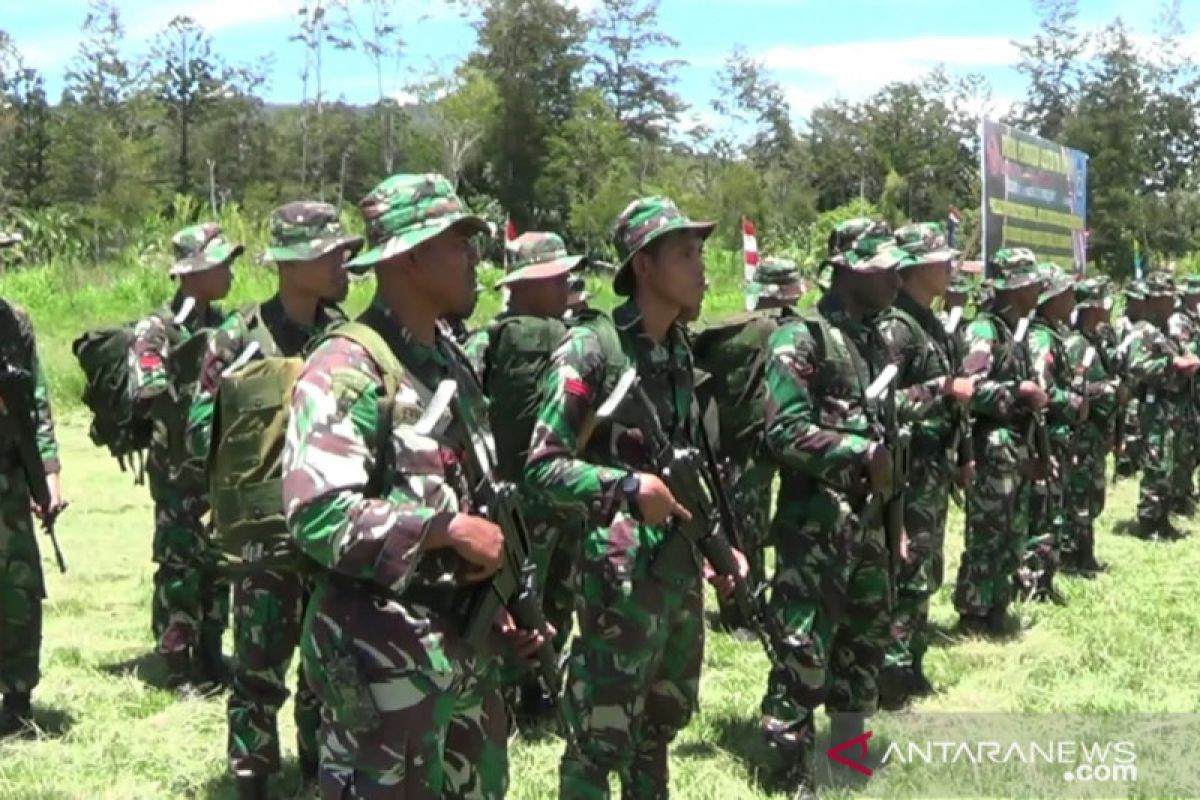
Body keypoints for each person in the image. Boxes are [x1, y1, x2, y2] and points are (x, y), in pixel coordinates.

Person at [283, 174, 544, 798]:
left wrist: (496, 598)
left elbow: (465, 487)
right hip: (383, 670)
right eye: (457, 242)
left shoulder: (449, 361)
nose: (474, 258)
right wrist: (444, 530)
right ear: (408, 257)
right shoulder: (348, 367)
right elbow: (314, 514)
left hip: (459, 654)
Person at [524, 196, 743, 799]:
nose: (702, 269)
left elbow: (689, 466)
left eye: (700, 253)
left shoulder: (677, 349)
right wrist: (622, 485)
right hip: (614, 586)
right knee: (598, 743)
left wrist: (720, 549)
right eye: (685, 254)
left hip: (673, 577)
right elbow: (541, 468)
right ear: (643, 266)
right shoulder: (592, 349)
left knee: (657, 732)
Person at [188, 202, 362, 800]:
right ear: (299, 261)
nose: (345, 262)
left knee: (327, 670)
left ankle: (319, 778)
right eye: (333, 252)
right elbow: (198, 430)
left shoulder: (343, 336)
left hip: (330, 528)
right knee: (258, 669)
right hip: (266, 535)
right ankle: (253, 780)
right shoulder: (238, 336)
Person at [759, 237, 905, 799]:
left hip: (868, 522)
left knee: (863, 643)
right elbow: (783, 431)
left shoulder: (874, 340)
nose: (895, 278)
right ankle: (788, 769)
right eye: (882, 269)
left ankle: (847, 757)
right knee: (803, 647)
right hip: (815, 527)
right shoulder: (802, 337)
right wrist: (859, 452)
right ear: (846, 272)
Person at [462, 230, 586, 726]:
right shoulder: (577, 341)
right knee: (551, 593)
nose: (566, 286)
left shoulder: (483, 339)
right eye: (557, 277)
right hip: (554, 493)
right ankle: (535, 693)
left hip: (517, 498)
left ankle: (521, 695)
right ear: (530, 282)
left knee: (524, 595)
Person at [130, 223, 239, 688]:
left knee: (219, 561)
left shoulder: (228, 324)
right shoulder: (157, 328)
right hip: (177, 470)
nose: (229, 272)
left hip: (220, 465)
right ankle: (176, 658)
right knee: (179, 562)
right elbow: (146, 385)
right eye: (220, 265)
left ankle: (212, 652)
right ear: (194, 273)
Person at [877, 222, 974, 707]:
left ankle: (910, 661)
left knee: (926, 567)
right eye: (942, 260)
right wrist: (941, 390)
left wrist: (963, 455)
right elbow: (881, 402)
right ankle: (891, 674)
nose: (950, 267)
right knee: (907, 567)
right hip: (907, 469)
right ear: (916, 267)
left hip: (934, 465)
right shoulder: (896, 326)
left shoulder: (931, 323)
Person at [692, 256, 805, 635]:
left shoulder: (732, 330)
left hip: (746, 446)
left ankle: (747, 605)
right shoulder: (782, 329)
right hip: (760, 446)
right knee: (749, 529)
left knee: (745, 528)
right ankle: (742, 611)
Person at [953, 248, 1048, 635]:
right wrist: (1019, 390)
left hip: (1015, 445)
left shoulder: (1015, 333)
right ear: (1013, 288)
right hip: (992, 445)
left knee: (1012, 529)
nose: (1038, 289)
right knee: (988, 531)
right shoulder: (984, 331)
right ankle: (974, 612)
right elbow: (969, 388)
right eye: (1031, 283)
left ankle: (997, 604)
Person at [0, 266, 64, 737]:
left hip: (9, 478)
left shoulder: (13, 322)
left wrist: (49, 477)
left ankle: (17, 699)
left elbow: (36, 403)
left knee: (19, 590)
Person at [1020, 264, 1087, 604]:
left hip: (1056, 441)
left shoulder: (1053, 334)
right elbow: (1041, 392)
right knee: (1043, 512)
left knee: (1052, 511)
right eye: (1067, 294)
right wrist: (1072, 400)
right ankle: (1032, 584)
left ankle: (1042, 580)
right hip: (1042, 441)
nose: (1074, 301)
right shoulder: (1041, 338)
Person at [1128, 273, 1200, 541]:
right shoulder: (1142, 331)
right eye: (1168, 298)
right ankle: (1149, 522)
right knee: (1156, 464)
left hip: (1173, 407)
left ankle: (1163, 517)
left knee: (1169, 465)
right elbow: (1135, 367)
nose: (1173, 302)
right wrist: (1173, 365)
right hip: (1153, 405)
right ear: (1155, 299)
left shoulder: (1166, 330)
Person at [1063, 278, 1119, 576]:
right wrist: (1110, 390)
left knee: (1093, 496)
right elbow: (1076, 389)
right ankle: (1073, 557)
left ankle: (1085, 554)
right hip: (1081, 433)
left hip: (1096, 433)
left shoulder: (1095, 341)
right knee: (1079, 496)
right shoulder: (1076, 345)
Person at [1167, 278, 1200, 512]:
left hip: (1194, 391)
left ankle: (1185, 490)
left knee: (1192, 444)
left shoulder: (1194, 318)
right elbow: (1186, 351)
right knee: (1183, 445)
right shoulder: (1179, 320)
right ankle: (1179, 494)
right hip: (1183, 390)